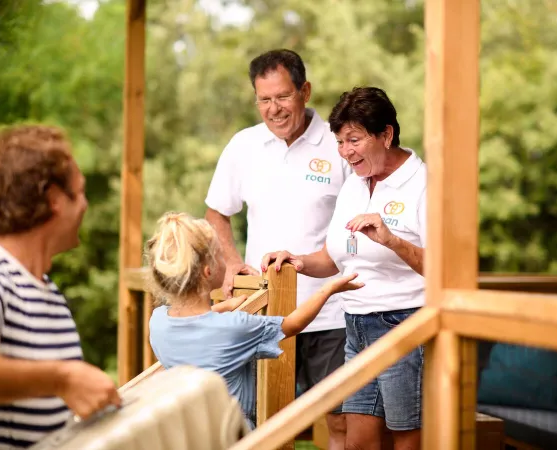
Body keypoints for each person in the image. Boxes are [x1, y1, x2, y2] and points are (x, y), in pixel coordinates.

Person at [261, 87, 426, 450]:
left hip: (404, 325)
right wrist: (298, 261)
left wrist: (392, 240)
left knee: (407, 441)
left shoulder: (422, 183)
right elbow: (333, 258)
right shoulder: (353, 184)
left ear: (386, 134)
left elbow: (443, 269)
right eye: (339, 141)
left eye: (354, 139)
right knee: (358, 443)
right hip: (355, 326)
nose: (346, 152)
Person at [204, 49, 352, 446]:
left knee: (340, 422)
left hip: (329, 312)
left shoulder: (338, 144)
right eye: (264, 99)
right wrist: (232, 263)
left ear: (305, 91)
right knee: (259, 420)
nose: (274, 109)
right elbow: (217, 212)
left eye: (283, 96)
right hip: (263, 314)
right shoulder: (243, 145)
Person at [146, 212, 363, 430]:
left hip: (192, 434)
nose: (225, 261)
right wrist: (329, 288)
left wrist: (223, 307)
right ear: (207, 271)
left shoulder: (159, 322)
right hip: (234, 435)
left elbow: (197, 322)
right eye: (220, 256)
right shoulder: (235, 327)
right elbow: (293, 324)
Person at [0, 125, 121, 449]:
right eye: (81, 191)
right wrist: (63, 379)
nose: (86, 205)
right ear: (55, 199)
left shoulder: (47, 292)